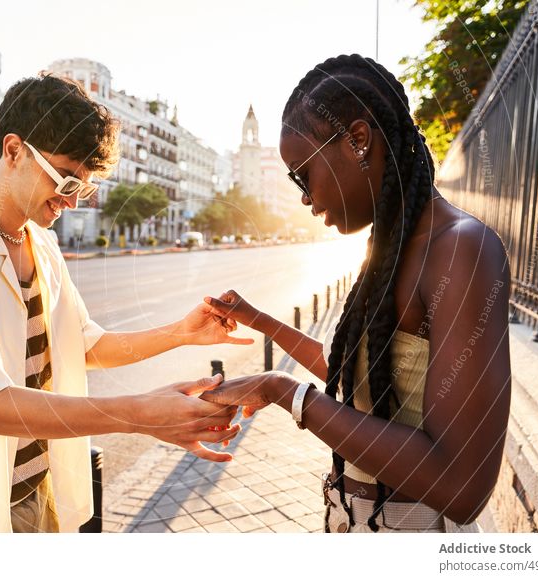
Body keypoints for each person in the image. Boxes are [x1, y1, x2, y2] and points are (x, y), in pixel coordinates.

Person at [0, 73, 251, 533]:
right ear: (13, 150)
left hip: (45, 495)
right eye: (66, 182)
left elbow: (82, 345)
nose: (72, 203)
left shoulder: (43, 245)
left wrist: (180, 333)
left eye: (83, 189)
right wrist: (140, 414)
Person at [202, 54, 512, 533]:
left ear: (358, 141)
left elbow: (463, 485)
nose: (304, 198)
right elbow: (359, 384)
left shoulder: (461, 250)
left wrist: (283, 391)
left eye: (303, 174)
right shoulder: (391, 247)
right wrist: (260, 320)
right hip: (352, 521)